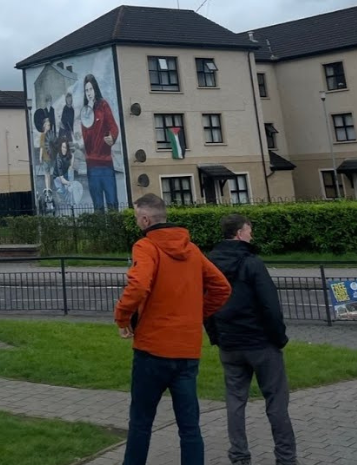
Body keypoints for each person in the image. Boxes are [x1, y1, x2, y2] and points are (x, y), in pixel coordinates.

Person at [114, 194, 231, 465]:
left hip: (152, 349)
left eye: (136, 218)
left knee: (141, 422)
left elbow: (139, 285)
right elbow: (221, 287)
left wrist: (122, 317)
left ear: (145, 220)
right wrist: (195, 314)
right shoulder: (192, 250)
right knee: (189, 427)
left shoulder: (146, 246)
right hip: (186, 350)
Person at [207, 214, 297, 465]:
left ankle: (239, 455)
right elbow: (269, 304)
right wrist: (278, 338)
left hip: (230, 342)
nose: (251, 235)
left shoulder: (209, 263)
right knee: (276, 401)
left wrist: (216, 335)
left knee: (235, 400)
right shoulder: (253, 263)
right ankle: (286, 458)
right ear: (239, 233)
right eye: (249, 230)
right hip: (260, 342)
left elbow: (205, 302)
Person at [80, 74, 119, 211]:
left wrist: (112, 137)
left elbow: (113, 126)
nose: (89, 93)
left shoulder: (103, 105)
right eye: (86, 90)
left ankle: (115, 231)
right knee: (98, 206)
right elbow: (87, 140)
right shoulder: (85, 112)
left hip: (107, 163)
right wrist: (89, 114)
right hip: (92, 165)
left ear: (95, 89)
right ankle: (101, 232)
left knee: (112, 203)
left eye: (91, 89)